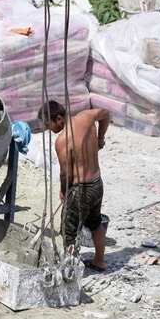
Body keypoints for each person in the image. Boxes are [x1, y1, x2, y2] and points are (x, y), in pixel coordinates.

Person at [39, 100, 110, 272]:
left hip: (80, 190)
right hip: (96, 184)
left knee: (69, 231)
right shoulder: (87, 116)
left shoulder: (63, 140)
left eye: (49, 125)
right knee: (95, 223)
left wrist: (63, 191)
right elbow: (106, 114)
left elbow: (66, 174)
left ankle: (70, 272)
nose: (49, 129)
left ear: (59, 119)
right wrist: (100, 137)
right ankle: (99, 260)